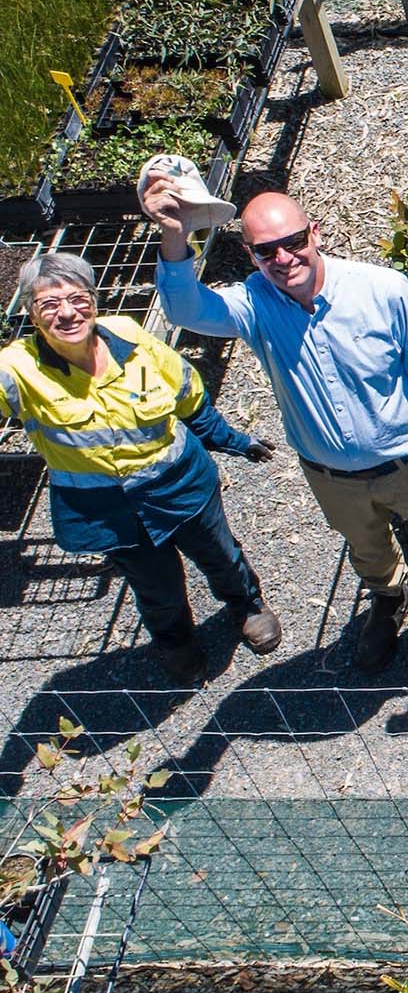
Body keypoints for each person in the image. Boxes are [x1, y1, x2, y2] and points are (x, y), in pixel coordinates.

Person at [148, 186, 408, 673]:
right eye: (266, 250)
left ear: (315, 232)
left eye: (294, 241)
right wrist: (174, 236)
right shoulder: (254, 305)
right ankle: (389, 596)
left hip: (407, 459)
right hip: (329, 472)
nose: (283, 258)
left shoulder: (384, 291)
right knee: (364, 543)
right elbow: (186, 311)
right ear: (249, 255)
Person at [0, 252, 280, 680]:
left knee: (220, 555)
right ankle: (175, 640)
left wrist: (232, 440)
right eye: (49, 304)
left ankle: (246, 605)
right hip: (108, 511)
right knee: (155, 586)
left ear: (94, 300)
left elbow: (187, 394)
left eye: (78, 298)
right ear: (31, 315)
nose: (68, 312)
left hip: (181, 487)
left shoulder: (129, 337)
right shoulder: (16, 369)